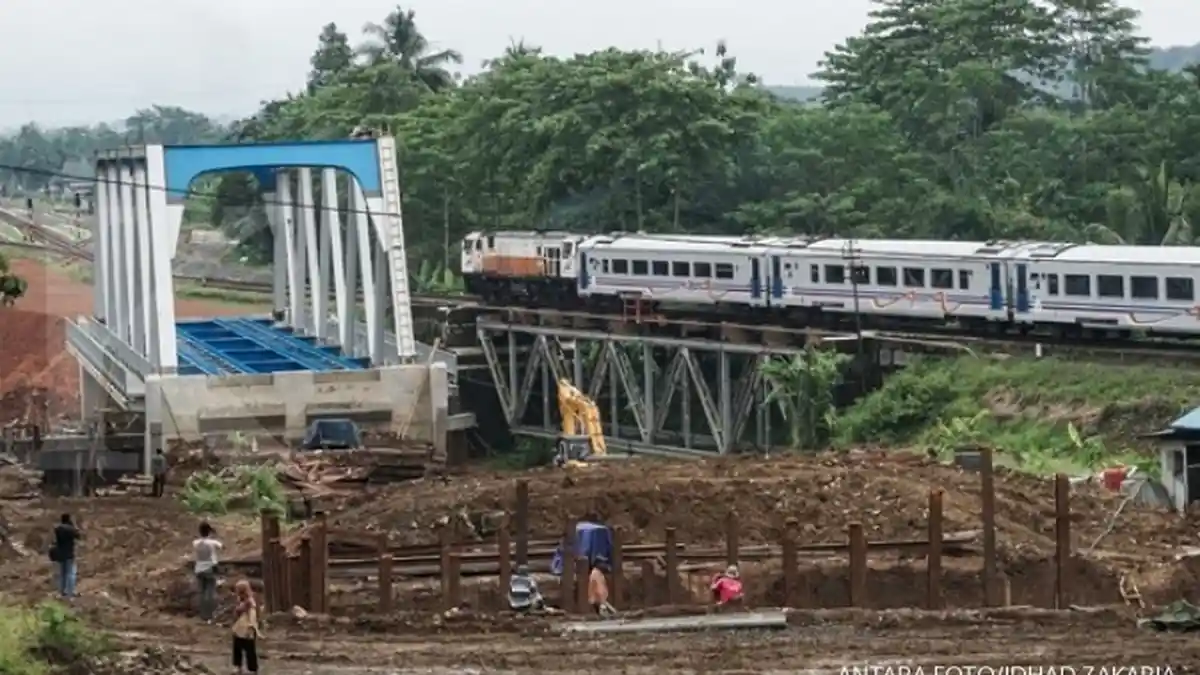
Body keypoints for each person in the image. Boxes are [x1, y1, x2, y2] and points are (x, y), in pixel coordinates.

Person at [193, 522, 224, 622]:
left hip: (198, 569)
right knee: (210, 593)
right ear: (209, 532)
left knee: (202, 592)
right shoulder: (213, 543)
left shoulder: (196, 543)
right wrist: (214, 535)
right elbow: (222, 546)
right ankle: (210, 614)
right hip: (210, 568)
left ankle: (202, 614)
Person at [231, 580, 260, 674]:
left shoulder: (250, 603)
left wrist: (251, 626)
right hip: (239, 629)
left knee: (250, 650)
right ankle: (238, 666)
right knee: (237, 649)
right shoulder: (240, 601)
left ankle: (252, 669)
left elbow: (252, 615)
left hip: (247, 629)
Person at [50, 514, 82, 598]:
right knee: (71, 573)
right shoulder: (71, 529)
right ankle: (70, 592)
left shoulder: (58, 529)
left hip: (60, 554)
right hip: (69, 554)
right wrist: (74, 525)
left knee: (62, 573)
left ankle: (62, 591)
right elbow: (79, 536)